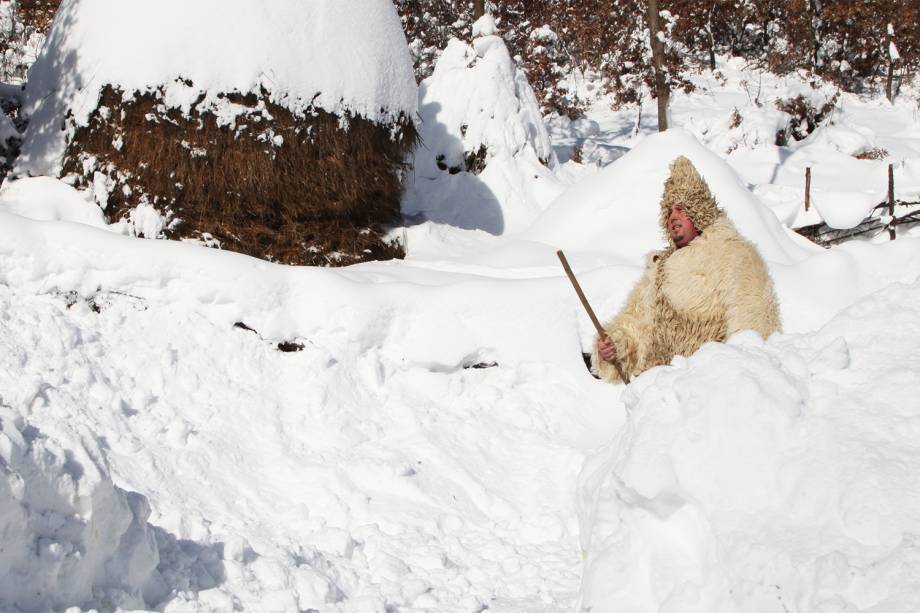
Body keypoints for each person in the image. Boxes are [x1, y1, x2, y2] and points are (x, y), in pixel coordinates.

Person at [593, 156, 781, 383]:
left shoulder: (733, 254)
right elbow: (635, 324)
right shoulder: (659, 267)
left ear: (699, 211)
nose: (673, 217)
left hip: (703, 392)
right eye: (669, 211)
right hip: (657, 393)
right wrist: (614, 346)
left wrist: (732, 384)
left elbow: (753, 333)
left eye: (681, 208)